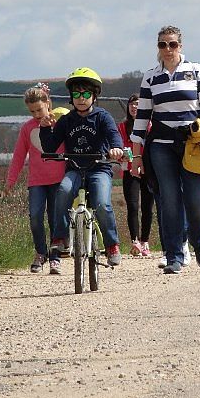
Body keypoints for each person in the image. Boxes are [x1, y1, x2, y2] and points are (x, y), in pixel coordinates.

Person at [129, 26, 200, 274]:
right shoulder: (150, 77)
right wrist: (137, 155)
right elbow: (141, 119)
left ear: (180, 46)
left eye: (172, 44)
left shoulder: (195, 71)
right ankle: (173, 255)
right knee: (168, 201)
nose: (168, 50)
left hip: (193, 144)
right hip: (161, 145)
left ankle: (198, 241)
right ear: (158, 48)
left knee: (195, 200)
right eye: (163, 45)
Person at [40, 68, 126, 266]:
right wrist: (45, 128)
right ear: (71, 97)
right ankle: (60, 238)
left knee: (102, 203)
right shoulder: (67, 120)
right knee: (63, 190)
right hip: (75, 168)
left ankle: (112, 244)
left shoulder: (102, 117)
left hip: (99, 168)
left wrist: (116, 149)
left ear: (94, 96)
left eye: (86, 93)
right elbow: (50, 146)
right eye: (77, 94)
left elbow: (114, 136)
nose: (81, 98)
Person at [4, 83, 68, 274]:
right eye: (32, 111)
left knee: (55, 218)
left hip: (58, 179)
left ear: (47, 103)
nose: (37, 114)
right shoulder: (27, 128)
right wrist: (11, 181)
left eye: (39, 109)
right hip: (37, 181)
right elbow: (18, 156)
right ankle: (40, 252)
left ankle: (55, 257)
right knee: (35, 216)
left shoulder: (60, 123)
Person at [117, 94, 155, 258]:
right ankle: (135, 241)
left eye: (138, 104)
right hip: (129, 169)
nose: (134, 107)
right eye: (132, 104)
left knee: (147, 207)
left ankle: (145, 241)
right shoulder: (122, 127)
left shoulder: (151, 126)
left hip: (148, 170)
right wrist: (121, 155)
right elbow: (118, 146)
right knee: (132, 206)